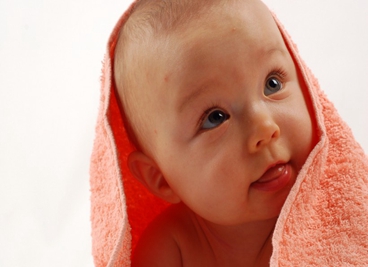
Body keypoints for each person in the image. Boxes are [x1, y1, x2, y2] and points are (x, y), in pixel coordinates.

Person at [112, 0, 317, 266]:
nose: (265, 128)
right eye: (215, 118)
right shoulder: (172, 248)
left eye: (272, 84)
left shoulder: (344, 216)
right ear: (161, 178)